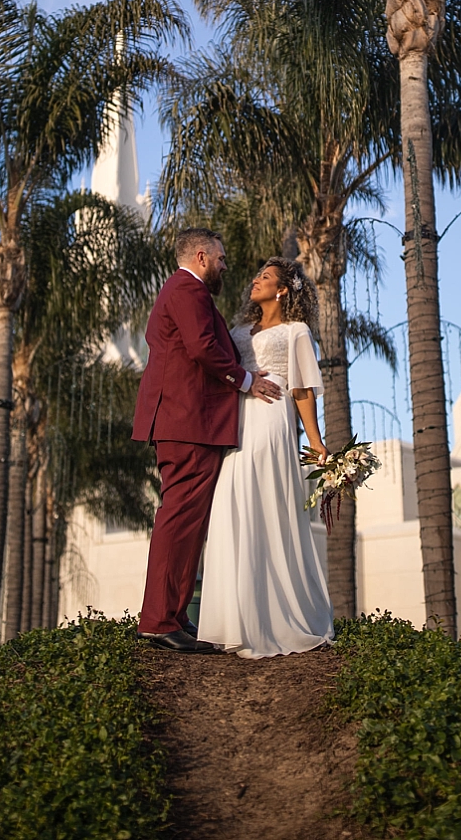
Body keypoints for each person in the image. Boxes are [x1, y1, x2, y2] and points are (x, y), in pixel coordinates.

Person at [132, 228, 284, 653]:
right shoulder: (186, 289)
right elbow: (201, 347)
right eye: (219, 258)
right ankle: (159, 619)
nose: (224, 265)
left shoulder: (188, 292)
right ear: (201, 256)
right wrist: (247, 380)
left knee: (188, 522)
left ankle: (173, 616)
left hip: (191, 424)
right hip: (186, 423)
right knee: (179, 519)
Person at [195, 256, 337, 657]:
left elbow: (303, 389)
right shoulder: (238, 329)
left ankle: (277, 617)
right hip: (235, 417)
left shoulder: (296, 331)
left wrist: (316, 441)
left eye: (266, 277)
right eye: (256, 274)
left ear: (283, 290)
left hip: (272, 417)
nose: (255, 280)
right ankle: (232, 619)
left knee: (265, 502)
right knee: (231, 502)